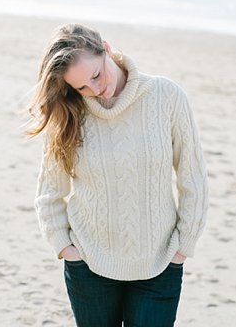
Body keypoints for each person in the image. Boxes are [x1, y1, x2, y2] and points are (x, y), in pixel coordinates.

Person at [26, 23, 209, 327]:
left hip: (160, 262)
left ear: (107, 49)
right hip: (88, 263)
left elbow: (193, 178)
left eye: (96, 75)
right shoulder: (70, 113)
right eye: (82, 87)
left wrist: (183, 246)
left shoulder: (166, 96)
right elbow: (49, 192)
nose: (95, 90)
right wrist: (64, 247)